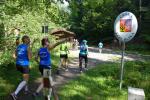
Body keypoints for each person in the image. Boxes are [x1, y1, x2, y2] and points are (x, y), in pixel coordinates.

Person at [11, 35, 32, 100]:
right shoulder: (27, 47)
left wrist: (19, 58)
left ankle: (26, 89)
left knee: (25, 77)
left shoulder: (19, 46)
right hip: (24, 65)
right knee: (25, 80)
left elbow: (13, 55)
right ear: (25, 40)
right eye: (28, 39)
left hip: (18, 64)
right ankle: (15, 93)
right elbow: (29, 58)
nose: (29, 40)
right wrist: (30, 53)